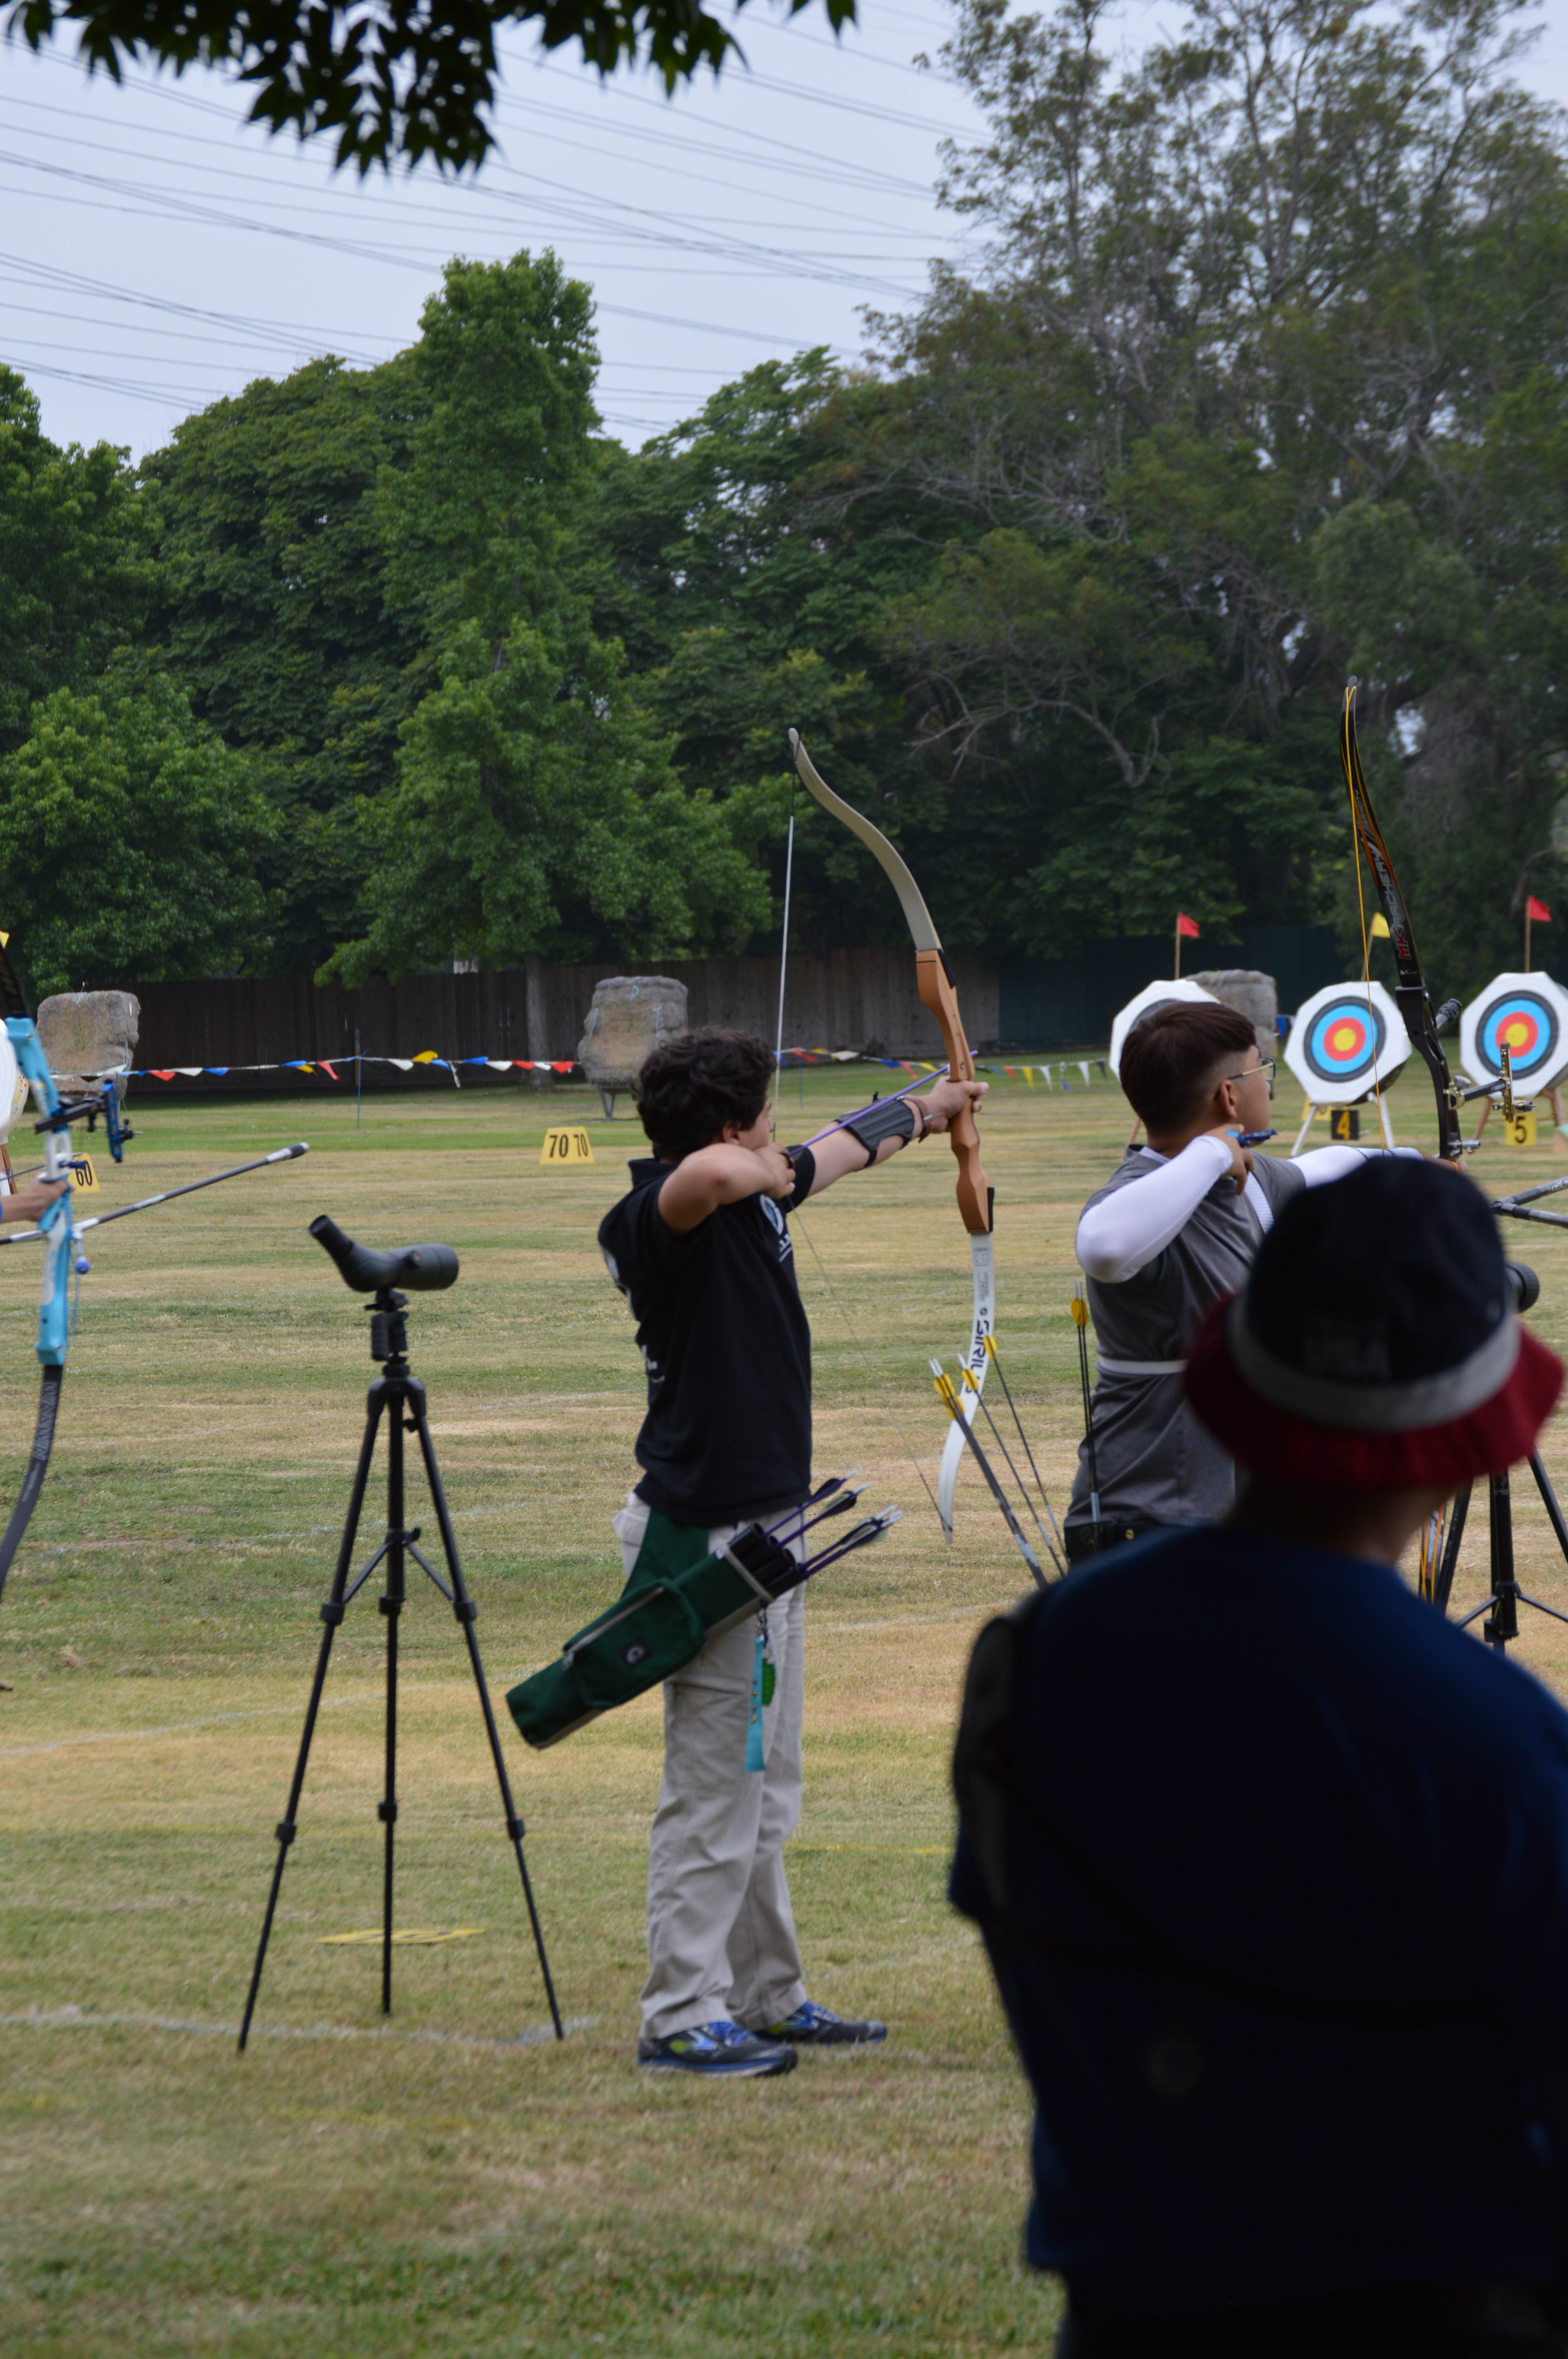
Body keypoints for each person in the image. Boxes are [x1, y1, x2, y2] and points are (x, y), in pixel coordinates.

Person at [953, 1158, 1568, 2356]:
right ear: (1469, 1440)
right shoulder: (1497, 1743)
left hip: (1130, 2314)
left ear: (1236, 1379)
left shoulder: (1036, 1657)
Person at [599, 1026, 986, 2079]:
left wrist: (928, 1109)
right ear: (733, 1125)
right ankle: (680, 2013)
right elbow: (727, 1170)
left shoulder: (755, 1191)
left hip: (767, 1530)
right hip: (704, 1540)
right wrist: (771, 1160)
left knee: (763, 1786)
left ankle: (766, 1998)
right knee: (715, 1787)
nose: (779, 1139)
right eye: (765, 1114)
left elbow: (833, 1152)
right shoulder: (661, 1212)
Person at [1066, 999, 1417, 1558]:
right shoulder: (1142, 1191)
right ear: (1228, 1096)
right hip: (1147, 1517)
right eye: (1261, 1072)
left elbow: (1327, 1167)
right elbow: (1104, 1249)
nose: (1269, 1088)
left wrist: (1415, 1167)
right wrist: (1209, 1150)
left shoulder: (1252, 1181)